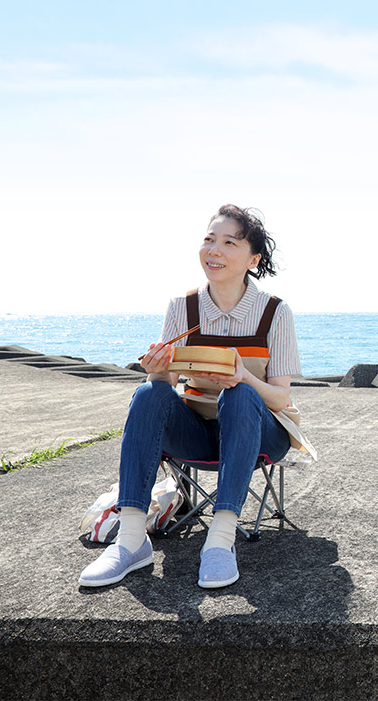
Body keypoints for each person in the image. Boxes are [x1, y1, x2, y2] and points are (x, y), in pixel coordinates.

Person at [79, 205, 312, 589]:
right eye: (209, 240)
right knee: (149, 392)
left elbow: (281, 398)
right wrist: (156, 367)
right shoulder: (182, 307)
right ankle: (132, 540)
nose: (214, 250)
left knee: (239, 395)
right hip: (198, 433)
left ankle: (220, 540)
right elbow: (167, 382)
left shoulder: (274, 312)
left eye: (229, 243)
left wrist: (244, 379)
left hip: (260, 432)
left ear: (253, 260)